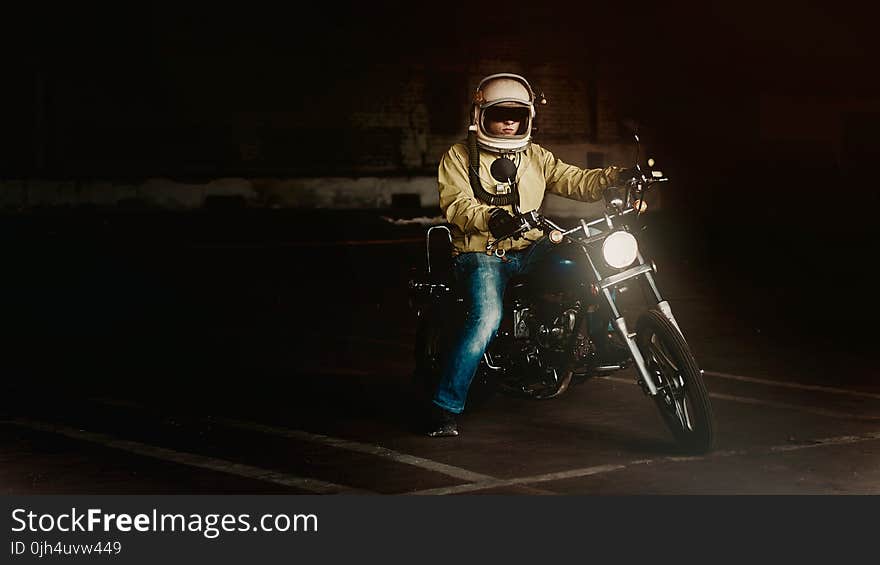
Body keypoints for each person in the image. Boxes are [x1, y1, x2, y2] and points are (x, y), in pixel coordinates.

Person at [427, 72, 632, 437]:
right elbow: (456, 205)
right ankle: (444, 406)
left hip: (532, 244)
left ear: (528, 118)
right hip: (482, 252)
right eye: (499, 114)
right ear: (480, 116)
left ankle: (600, 341)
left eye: (516, 115)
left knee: (593, 264)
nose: (508, 122)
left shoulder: (535, 156)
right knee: (487, 318)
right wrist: (492, 217)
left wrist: (616, 177)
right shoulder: (457, 158)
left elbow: (575, 180)